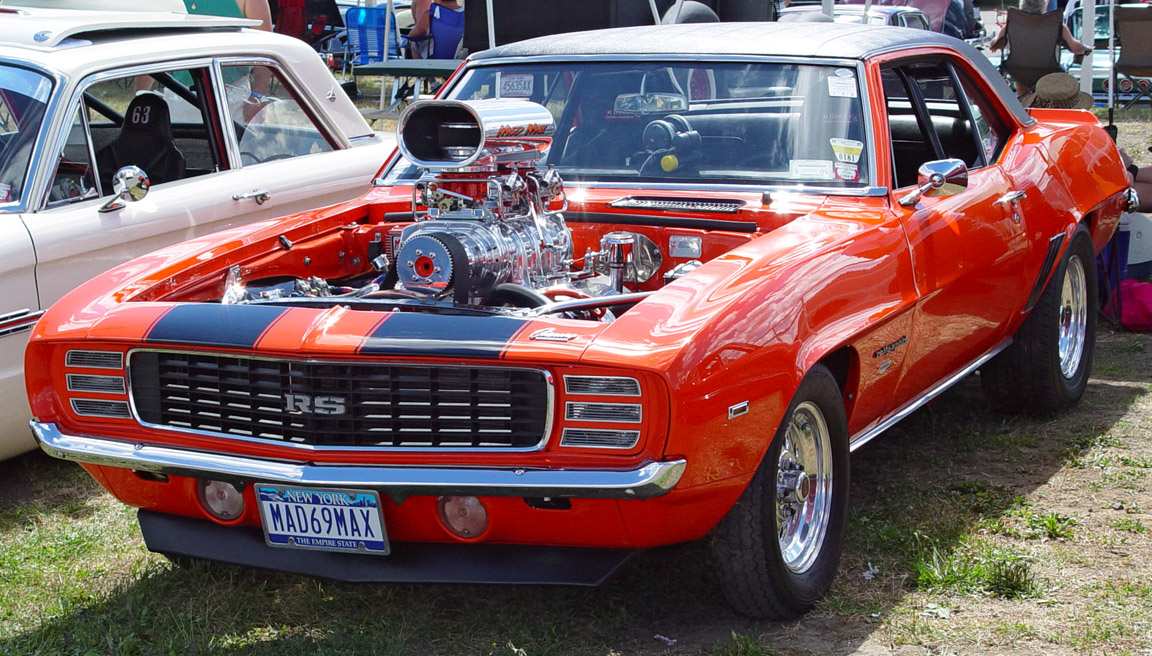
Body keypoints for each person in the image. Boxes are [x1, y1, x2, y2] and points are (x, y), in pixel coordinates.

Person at [988, 0, 1092, 57]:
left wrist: (994, 42)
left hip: (1019, 73)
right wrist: (1086, 47)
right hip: (1048, 74)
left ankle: (1024, 96)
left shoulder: (1011, 24)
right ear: (1044, 6)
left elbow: (993, 45)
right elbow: (1076, 48)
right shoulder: (1057, 25)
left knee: (1021, 81)